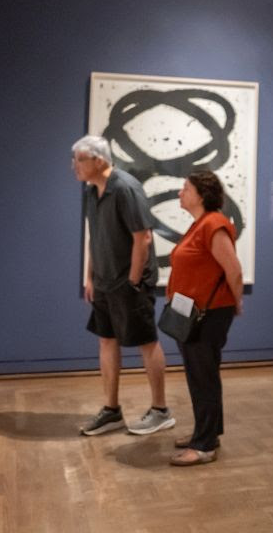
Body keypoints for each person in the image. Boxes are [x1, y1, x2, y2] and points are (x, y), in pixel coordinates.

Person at [72, 135, 174, 437]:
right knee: (106, 339)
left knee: (146, 341)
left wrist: (131, 280)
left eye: (79, 159)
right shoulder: (92, 192)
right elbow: (95, 235)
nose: (74, 166)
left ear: (99, 160)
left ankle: (160, 410)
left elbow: (142, 238)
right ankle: (112, 410)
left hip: (129, 283)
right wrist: (90, 277)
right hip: (104, 283)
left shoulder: (126, 188)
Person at [165, 169, 245, 466]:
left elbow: (233, 270)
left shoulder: (214, 224)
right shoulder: (199, 224)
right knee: (199, 375)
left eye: (185, 188)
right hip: (194, 313)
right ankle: (207, 431)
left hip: (208, 314)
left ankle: (204, 445)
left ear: (200, 194)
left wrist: (235, 302)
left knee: (203, 376)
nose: (180, 193)